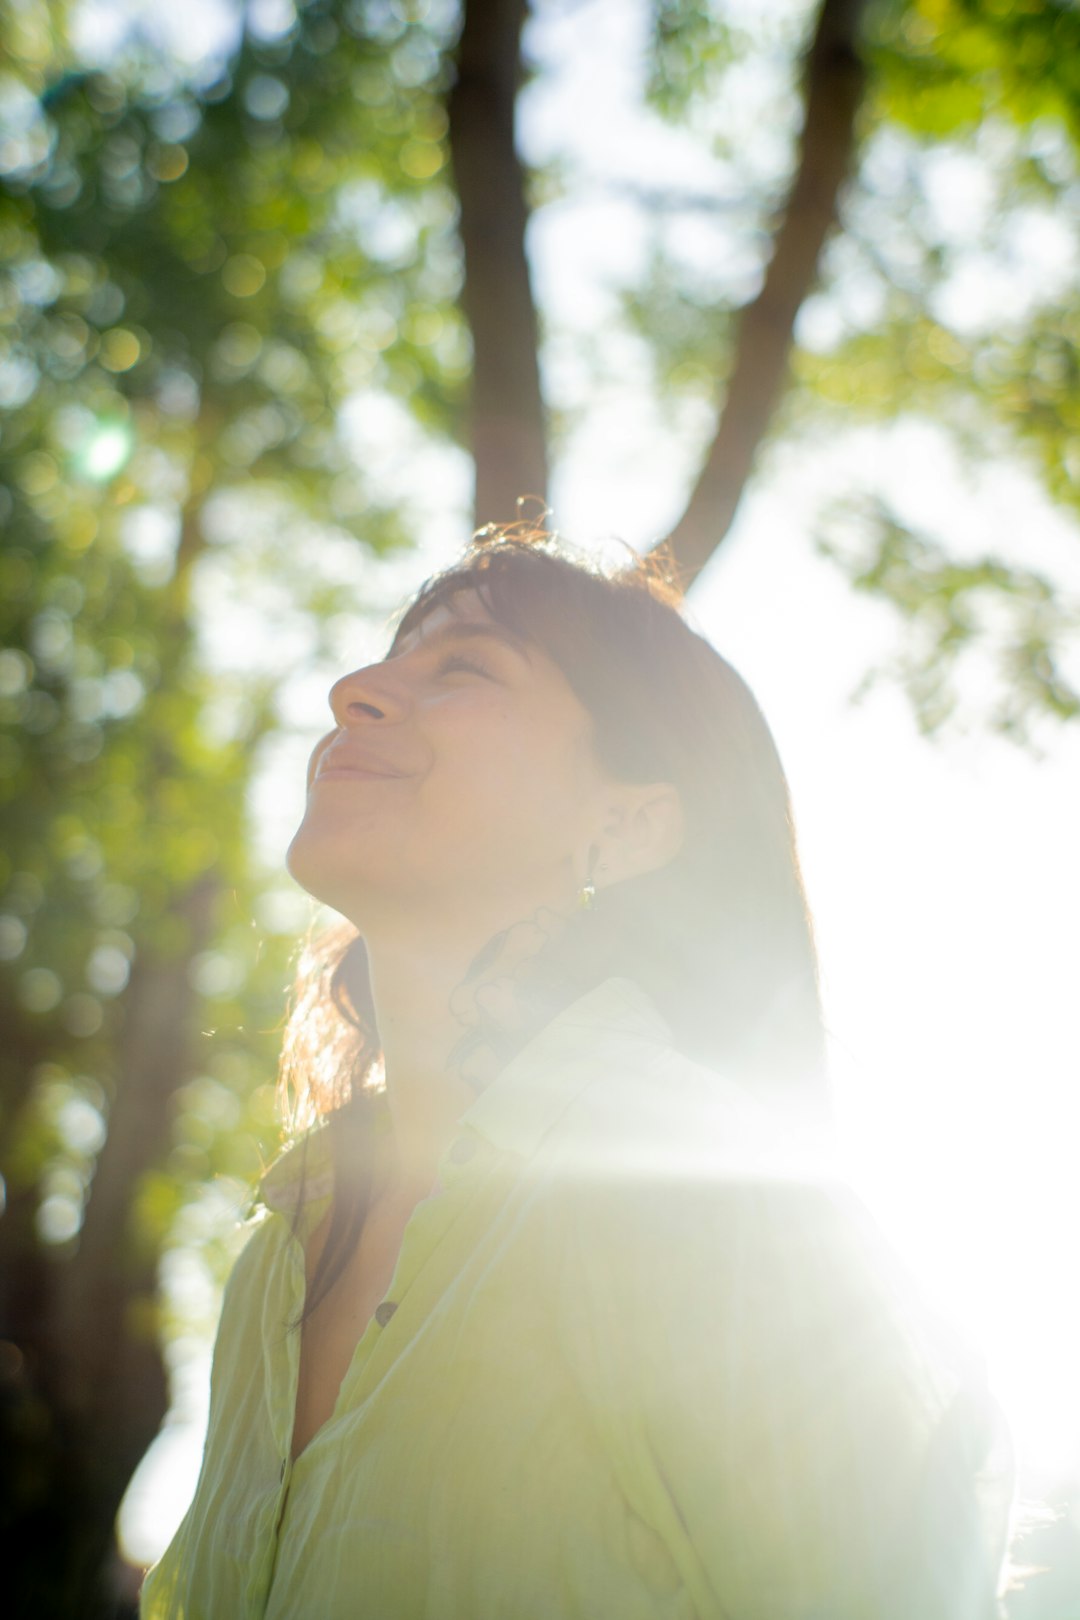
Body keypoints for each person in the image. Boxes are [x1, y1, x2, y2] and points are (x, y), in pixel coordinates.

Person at [138, 526, 1014, 1619]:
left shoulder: (719, 1209)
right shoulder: (276, 1260)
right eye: (384, 659)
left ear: (630, 823)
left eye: (464, 668)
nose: (351, 691)